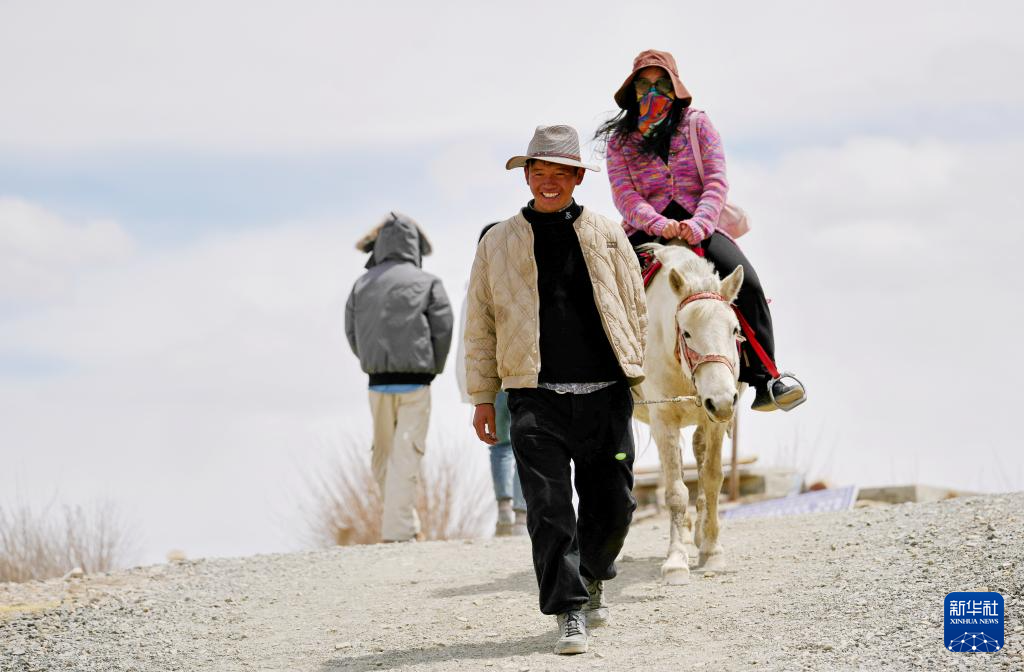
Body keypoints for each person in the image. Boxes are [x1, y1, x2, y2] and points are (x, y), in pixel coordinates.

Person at [464, 125, 647, 655]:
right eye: (539, 172)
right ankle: (568, 610)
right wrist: (483, 397)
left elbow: (635, 307)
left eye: (560, 173)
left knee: (615, 505)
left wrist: (637, 371)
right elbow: (480, 324)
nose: (548, 182)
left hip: (605, 393)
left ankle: (591, 574)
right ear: (526, 176)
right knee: (548, 509)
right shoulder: (497, 242)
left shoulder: (607, 233)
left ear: (577, 178)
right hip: (534, 396)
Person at [596, 48, 805, 411]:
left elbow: (716, 180)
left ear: (675, 87)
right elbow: (624, 194)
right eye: (644, 84)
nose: (652, 91)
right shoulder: (619, 141)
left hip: (701, 226)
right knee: (604, 292)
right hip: (646, 229)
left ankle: (766, 378)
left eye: (661, 83)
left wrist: (699, 224)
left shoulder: (698, 125)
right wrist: (658, 224)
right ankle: (601, 381)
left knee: (749, 284)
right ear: (633, 90)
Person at [345, 212, 453, 542]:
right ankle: (400, 531)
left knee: (383, 456)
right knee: (407, 454)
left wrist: (371, 361)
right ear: (414, 245)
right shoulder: (428, 282)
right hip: (416, 382)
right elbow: (443, 329)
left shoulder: (362, 284)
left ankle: (406, 525)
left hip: (377, 383)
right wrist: (432, 367)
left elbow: (351, 332)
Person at [455, 225, 527, 537]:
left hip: (491, 377)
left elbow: (468, 341)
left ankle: (504, 508)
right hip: (520, 373)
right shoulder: (521, 278)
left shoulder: (472, 287)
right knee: (525, 442)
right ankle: (522, 513)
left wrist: (472, 387)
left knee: (499, 444)